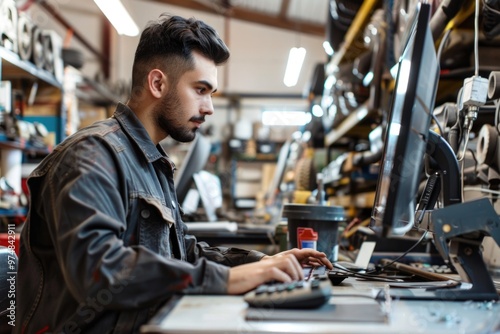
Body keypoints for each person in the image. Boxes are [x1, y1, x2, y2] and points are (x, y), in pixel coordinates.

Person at [15, 14, 333, 333]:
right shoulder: (91, 156)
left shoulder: (152, 162)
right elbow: (99, 272)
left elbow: (181, 252)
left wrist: (257, 263)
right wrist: (230, 279)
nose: (209, 107)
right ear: (157, 83)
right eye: (200, 89)